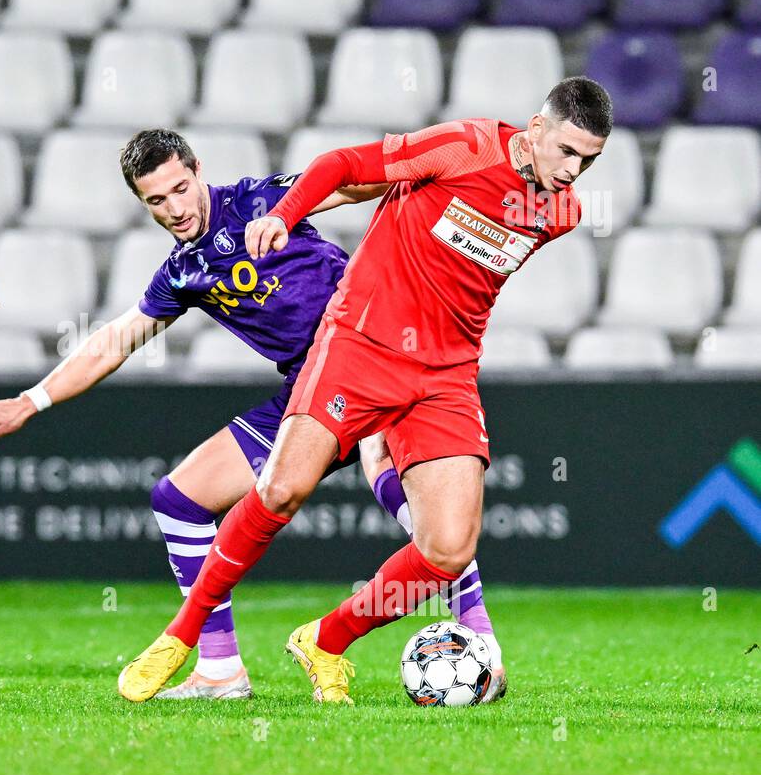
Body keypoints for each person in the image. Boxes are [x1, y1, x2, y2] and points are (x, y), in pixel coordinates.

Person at [0, 129, 504, 701]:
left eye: (180, 189)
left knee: (424, 512)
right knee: (178, 499)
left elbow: (350, 185)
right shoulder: (182, 272)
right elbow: (116, 340)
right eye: (156, 201)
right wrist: (32, 399)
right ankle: (221, 671)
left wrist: (431, 196)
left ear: (198, 170)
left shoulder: (258, 200)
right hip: (306, 394)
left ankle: (478, 634)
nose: (175, 209)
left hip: (378, 357)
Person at [119, 78, 612, 706]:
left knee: (448, 547)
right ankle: (181, 636)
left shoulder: (560, 214)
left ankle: (325, 639)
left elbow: (466, 271)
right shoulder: (466, 146)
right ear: (536, 129)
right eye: (567, 151)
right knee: (282, 488)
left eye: (589, 160)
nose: (573, 170)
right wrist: (283, 215)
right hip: (361, 342)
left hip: (446, 371)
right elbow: (344, 166)